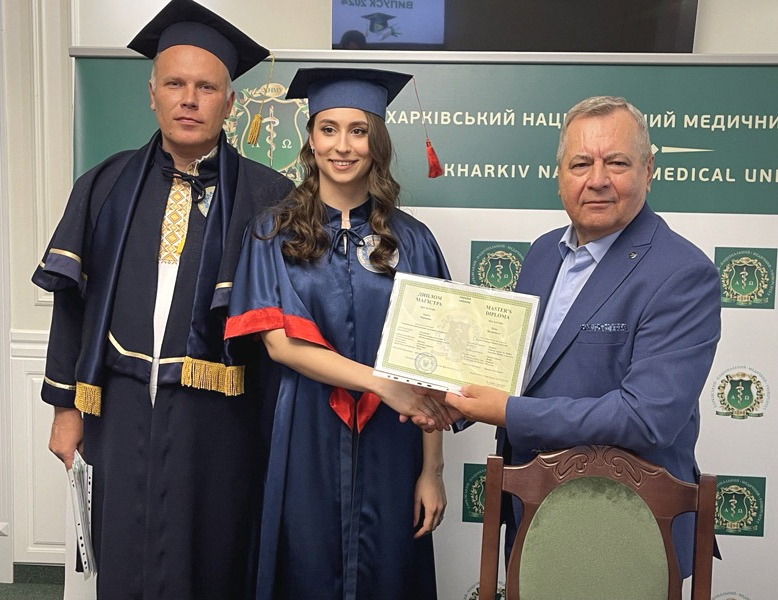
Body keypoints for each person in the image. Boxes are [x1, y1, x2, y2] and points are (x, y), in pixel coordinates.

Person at [32, 1, 294, 598]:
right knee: (125, 554)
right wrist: (65, 409)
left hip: (223, 416)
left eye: (207, 87)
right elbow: (71, 308)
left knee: (213, 554)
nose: (189, 99)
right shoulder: (104, 185)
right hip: (118, 405)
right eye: (175, 84)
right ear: (152, 94)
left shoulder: (270, 196)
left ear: (230, 102)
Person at [441, 95, 721, 577]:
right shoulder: (541, 254)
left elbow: (646, 417)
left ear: (649, 170)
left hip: (627, 526)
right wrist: (455, 399)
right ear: (559, 176)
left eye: (617, 163)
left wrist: (507, 412)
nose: (597, 179)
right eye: (580, 163)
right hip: (532, 514)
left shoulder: (682, 273)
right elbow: (524, 373)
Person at [224, 68, 451, 600]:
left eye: (358, 130)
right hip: (302, 429)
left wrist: (432, 470)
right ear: (310, 139)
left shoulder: (414, 241)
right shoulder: (272, 233)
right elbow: (280, 343)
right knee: (303, 564)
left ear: (377, 142)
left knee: (389, 569)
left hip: (393, 438)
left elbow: (431, 366)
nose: (342, 146)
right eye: (328, 129)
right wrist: (382, 384)